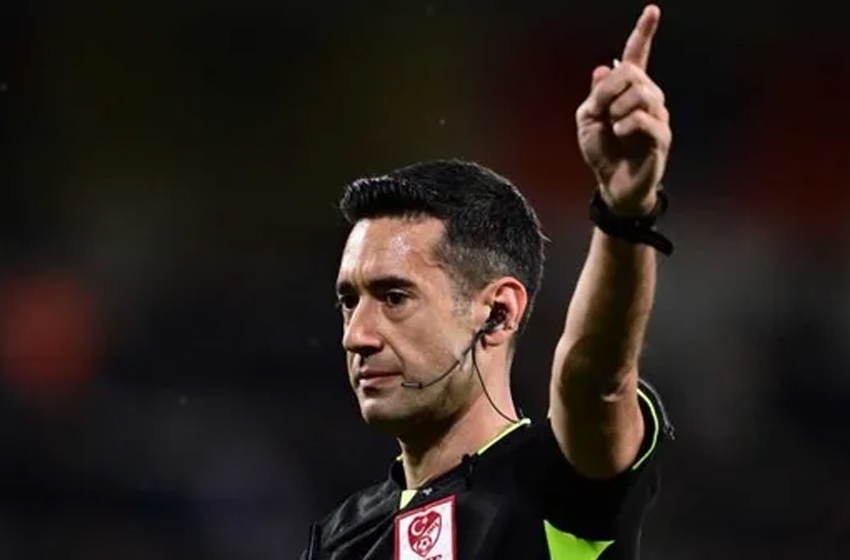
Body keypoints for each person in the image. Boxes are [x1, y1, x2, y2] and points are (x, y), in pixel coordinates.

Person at [301, 5, 675, 559]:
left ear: (498, 313)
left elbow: (598, 381)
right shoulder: (341, 537)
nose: (357, 335)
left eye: (395, 297)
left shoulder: (556, 481)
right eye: (349, 301)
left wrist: (626, 214)